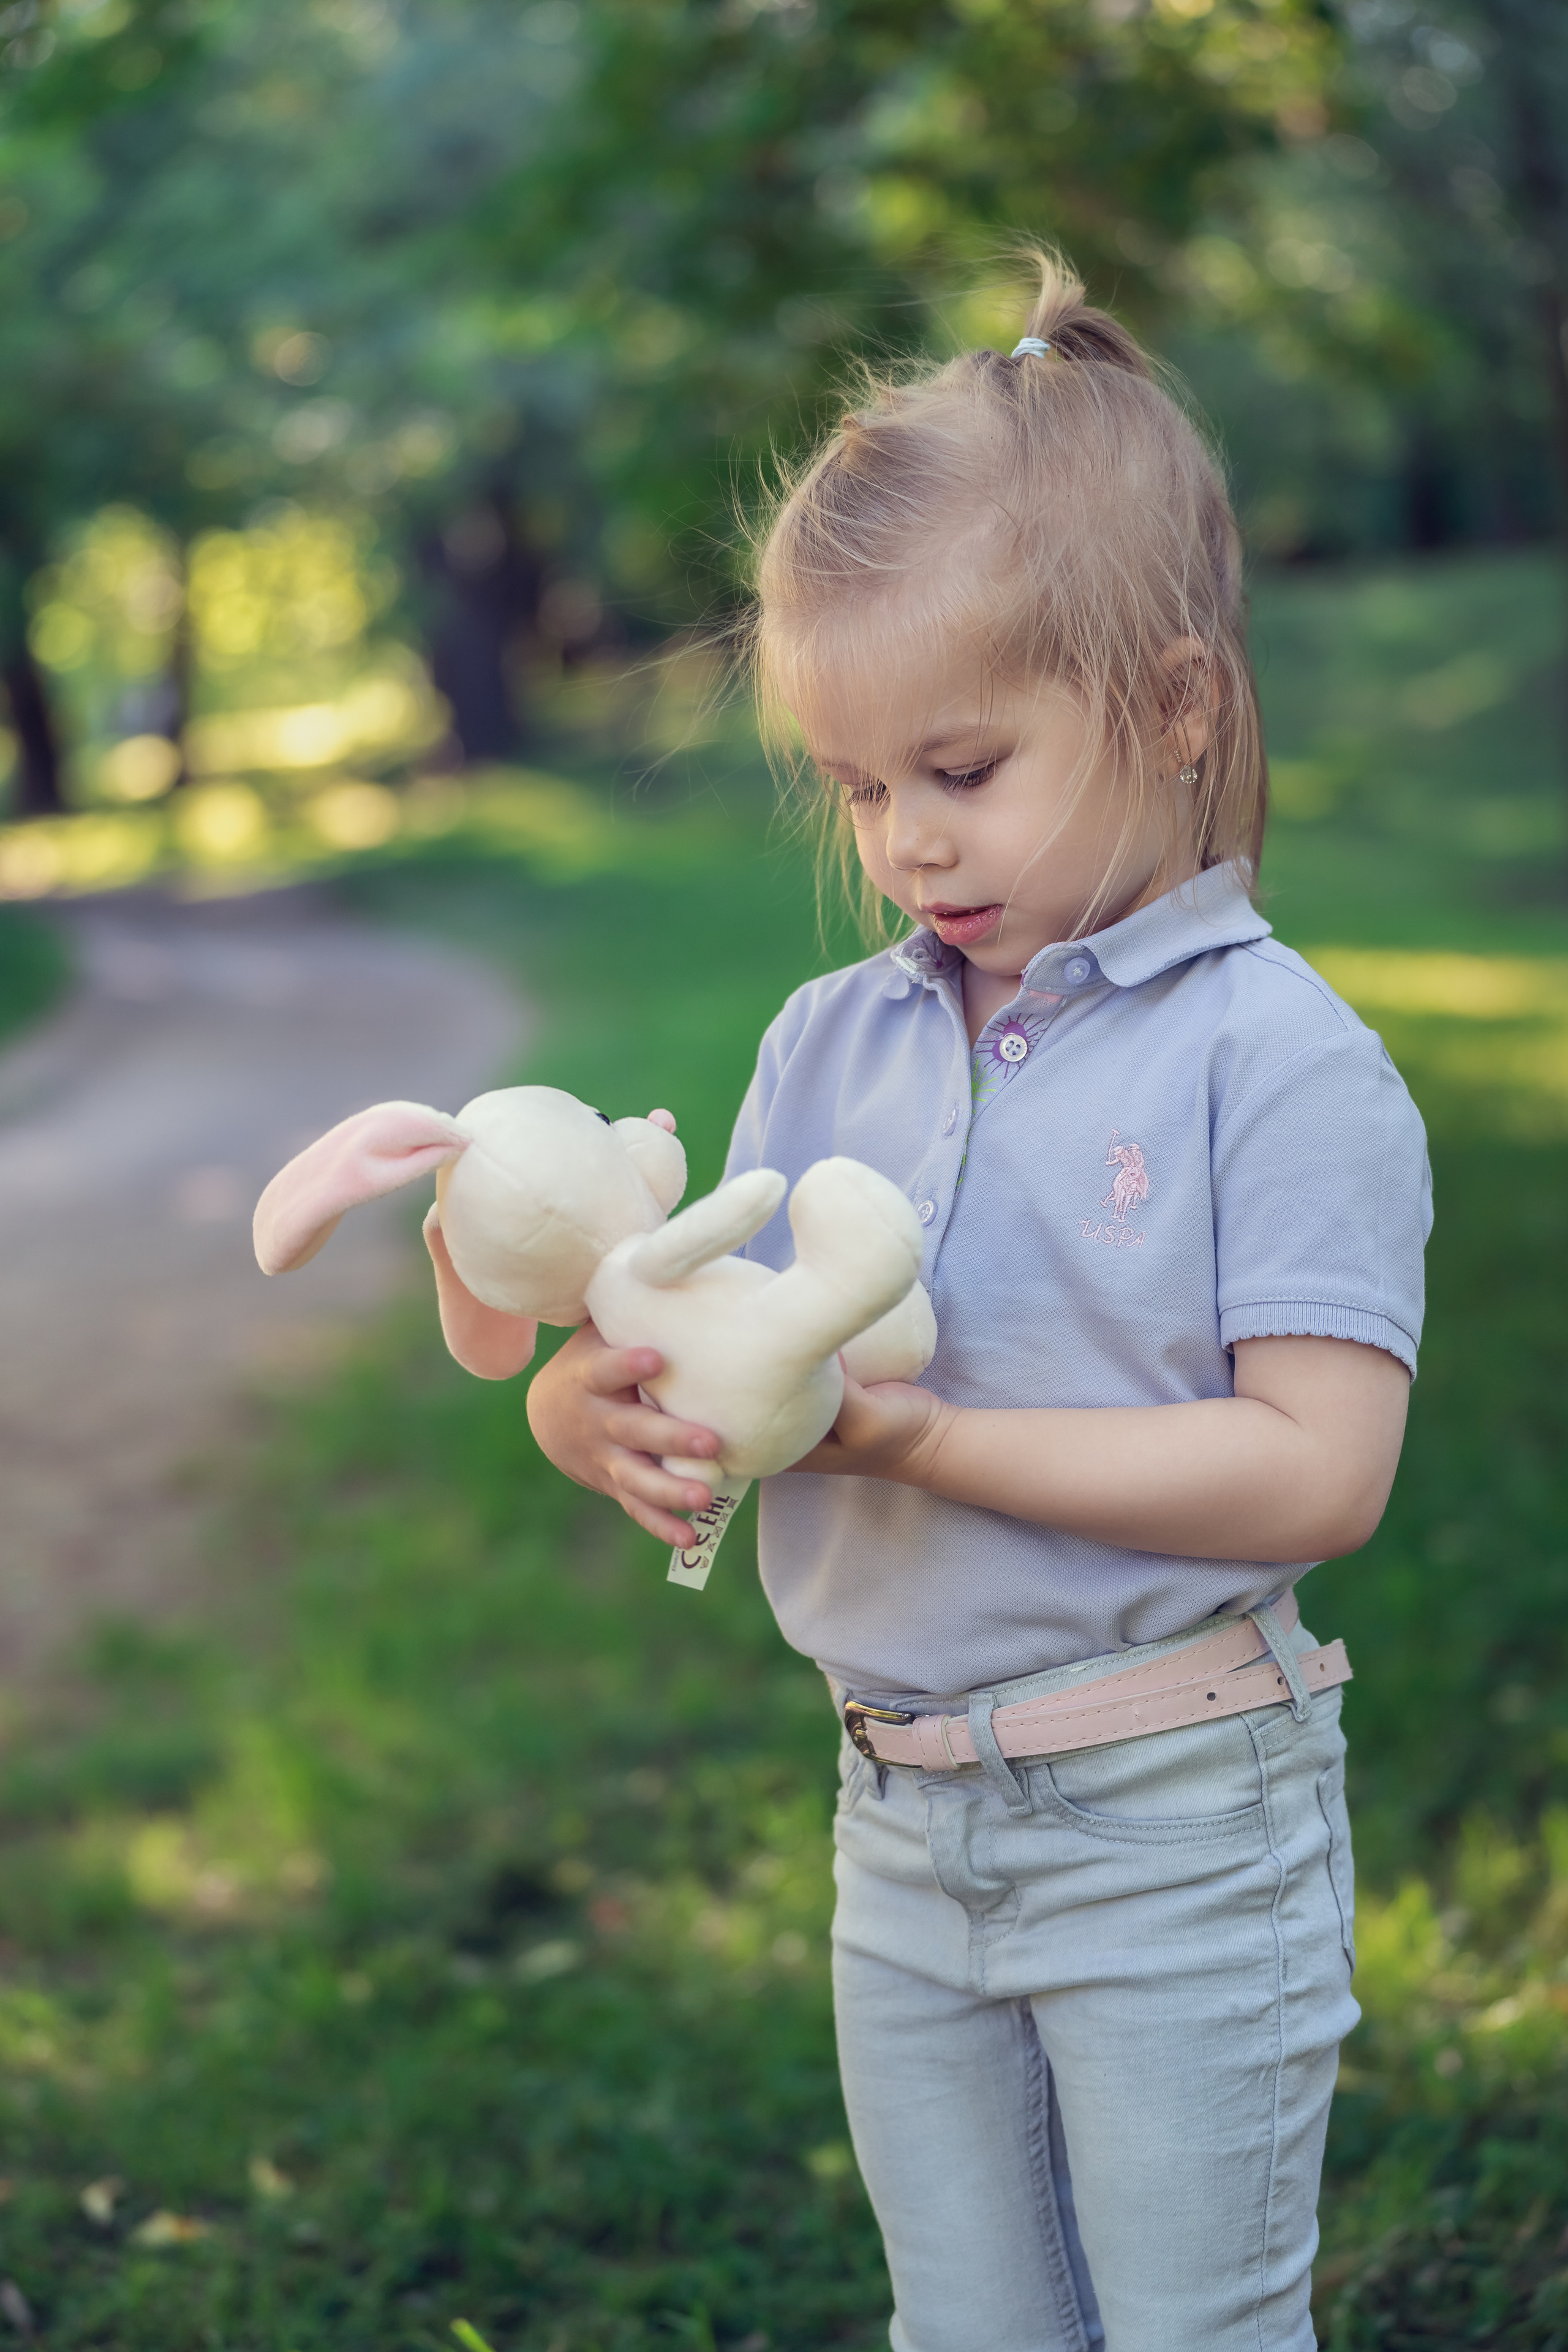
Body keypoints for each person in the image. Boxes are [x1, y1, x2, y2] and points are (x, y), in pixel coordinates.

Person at [527, 251, 1431, 2352]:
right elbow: (707, 1347)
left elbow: (1321, 1470)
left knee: (1194, 2329)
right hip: (902, 1821)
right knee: (972, 2330)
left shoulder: (1271, 1059)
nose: (908, 844)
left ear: (1179, 708)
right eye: (858, 790)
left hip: (1179, 1831)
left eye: (963, 768)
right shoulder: (831, 1042)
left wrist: (920, 1439)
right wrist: (602, 1410)